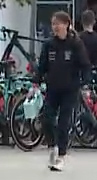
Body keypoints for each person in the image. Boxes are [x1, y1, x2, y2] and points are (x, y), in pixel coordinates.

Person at [37, 11, 90, 171]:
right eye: (53, 24)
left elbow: (85, 65)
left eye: (58, 24)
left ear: (66, 25)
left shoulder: (75, 44)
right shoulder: (49, 45)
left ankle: (61, 155)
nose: (55, 27)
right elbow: (42, 66)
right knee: (46, 118)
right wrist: (35, 82)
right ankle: (52, 146)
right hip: (52, 88)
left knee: (63, 122)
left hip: (70, 89)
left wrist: (85, 84)